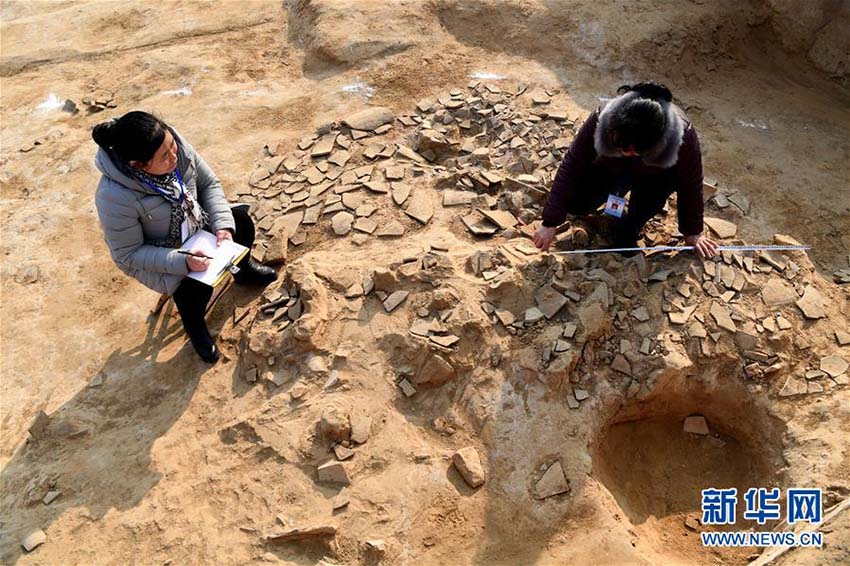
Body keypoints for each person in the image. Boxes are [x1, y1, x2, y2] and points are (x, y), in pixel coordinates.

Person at [92, 111, 277, 363]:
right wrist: (183, 260)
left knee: (240, 223)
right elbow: (128, 253)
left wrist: (222, 225)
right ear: (138, 165)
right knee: (192, 289)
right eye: (164, 156)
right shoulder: (113, 196)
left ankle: (243, 271)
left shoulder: (171, 142)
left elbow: (208, 184)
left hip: (194, 221)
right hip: (161, 252)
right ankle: (196, 327)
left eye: (172, 146)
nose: (174, 156)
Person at [533, 82, 718, 259]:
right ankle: (607, 198)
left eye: (635, 150)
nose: (629, 153)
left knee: (633, 223)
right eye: (622, 147)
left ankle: (629, 226)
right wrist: (550, 221)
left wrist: (693, 232)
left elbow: (691, 184)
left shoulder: (682, 136)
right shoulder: (601, 119)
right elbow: (573, 164)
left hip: (655, 177)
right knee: (577, 204)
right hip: (610, 167)